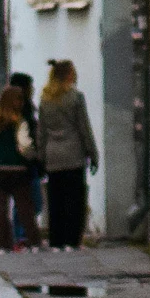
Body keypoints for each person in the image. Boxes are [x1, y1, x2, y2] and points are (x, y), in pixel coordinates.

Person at [36, 59, 98, 251]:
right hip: (73, 154)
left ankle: (56, 241)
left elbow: (41, 132)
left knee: (55, 200)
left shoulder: (45, 100)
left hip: (53, 155)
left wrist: (41, 156)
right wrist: (92, 153)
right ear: (69, 75)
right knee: (74, 199)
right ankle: (72, 241)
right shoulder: (75, 97)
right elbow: (83, 127)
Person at [0, 77, 41, 251]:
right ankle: (33, 242)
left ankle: (3, 245)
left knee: (1, 211)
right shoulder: (19, 121)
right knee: (25, 208)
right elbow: (24, 145)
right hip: (17, 169)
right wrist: (33, 156)